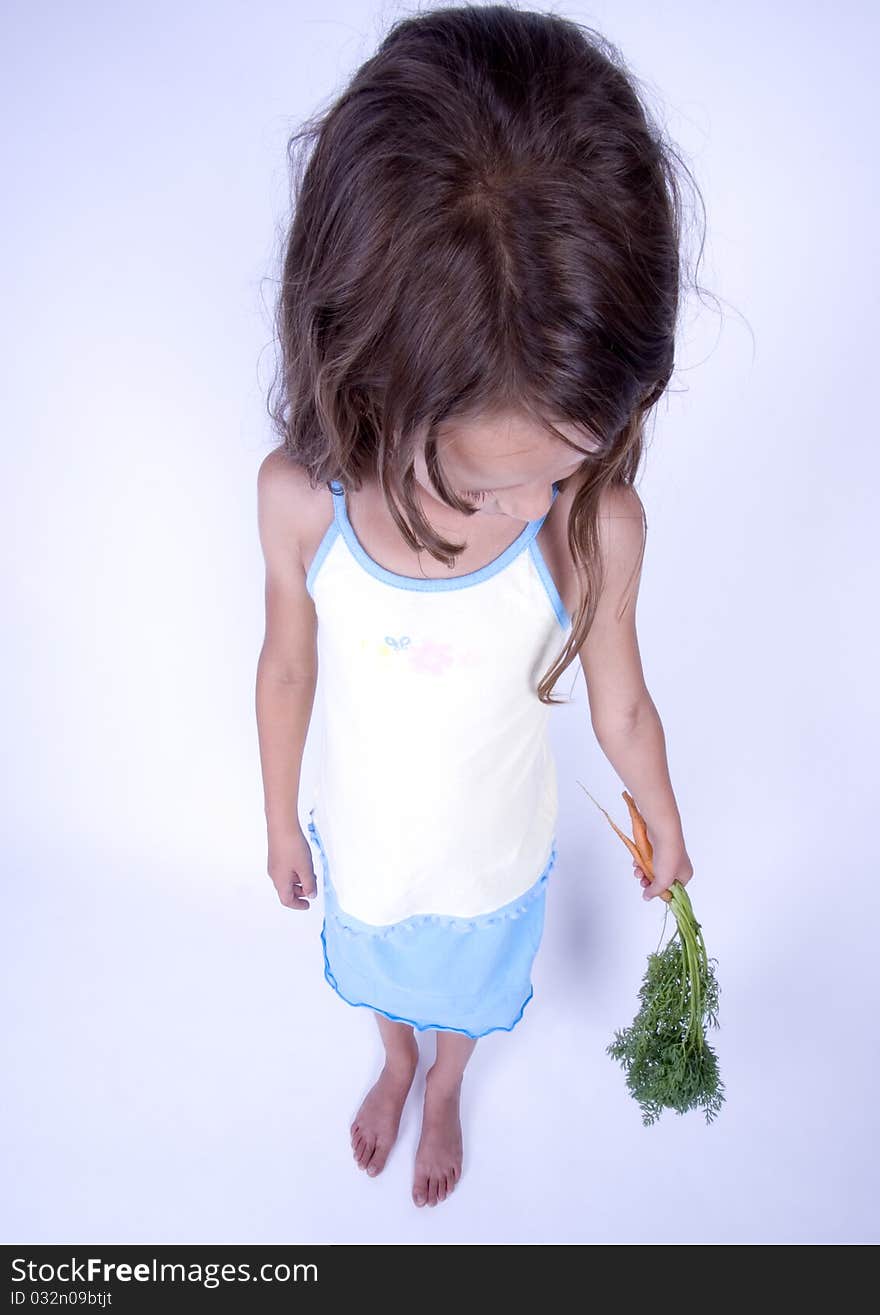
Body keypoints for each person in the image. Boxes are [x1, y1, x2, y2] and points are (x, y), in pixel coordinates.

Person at [256, 4, 696, 1209]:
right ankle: (394, 1058)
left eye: (563, 465)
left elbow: (624, 709)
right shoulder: (302, 506)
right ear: (359, 378)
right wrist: (281, 819)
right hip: (372, 842)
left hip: (491, 848)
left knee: (462, 1001)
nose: (534, 505)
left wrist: (664, 824)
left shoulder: (592, 528)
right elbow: (287, 661)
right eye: (482, 485)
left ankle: (445, 1081)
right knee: (387, 978)